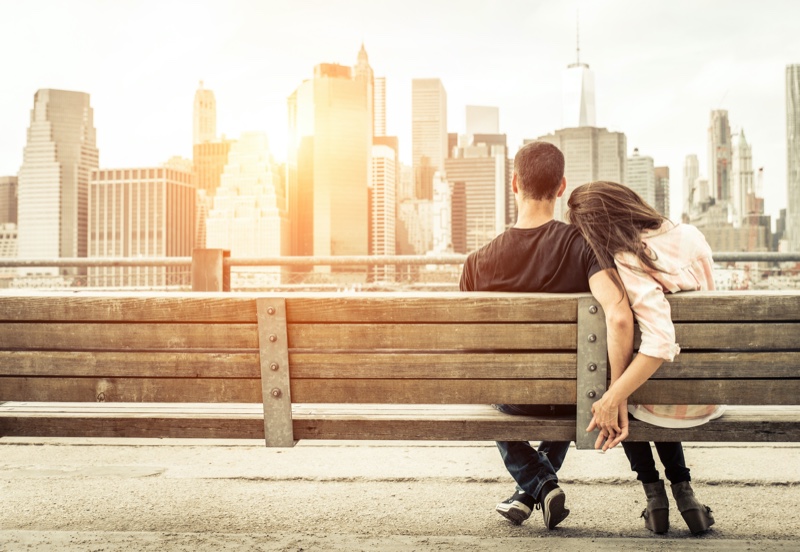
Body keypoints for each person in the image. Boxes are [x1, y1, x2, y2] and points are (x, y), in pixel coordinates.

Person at [459, 142, 633, 530]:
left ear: (514, 184)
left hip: (514, 401)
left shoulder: (475, 263)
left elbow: (470, 354)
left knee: (495, 390)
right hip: (569, 397)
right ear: (561, 187)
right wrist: (616, 392)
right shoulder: (583, 246)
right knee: (574, 386)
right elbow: (620, 317)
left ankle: (535, 486)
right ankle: (537, 486)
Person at [567, 180, 725, 535]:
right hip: (707, 391)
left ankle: (655, 498)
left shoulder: (630, 256)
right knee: (637, 391)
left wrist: (612, 395)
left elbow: (660, 342)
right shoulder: (691, 234)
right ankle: (685, 494)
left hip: (666, 400)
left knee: (622, 396)